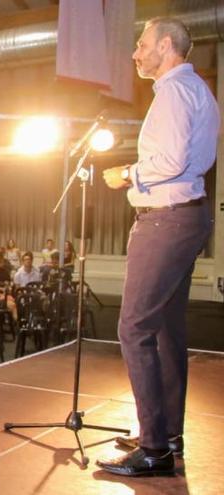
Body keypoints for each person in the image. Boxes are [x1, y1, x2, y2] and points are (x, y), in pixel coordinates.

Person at [96, 17, 218, 477]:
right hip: (189, 216)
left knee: (134, 328)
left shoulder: (170, 92)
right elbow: (188, 159)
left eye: (141, 44)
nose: (135, 53)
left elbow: (167, 160)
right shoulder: (198, 90)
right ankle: (167, 434)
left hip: (164, 221)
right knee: (167, 331)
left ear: (165, 46)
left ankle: (153, 450)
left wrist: (127, 173)